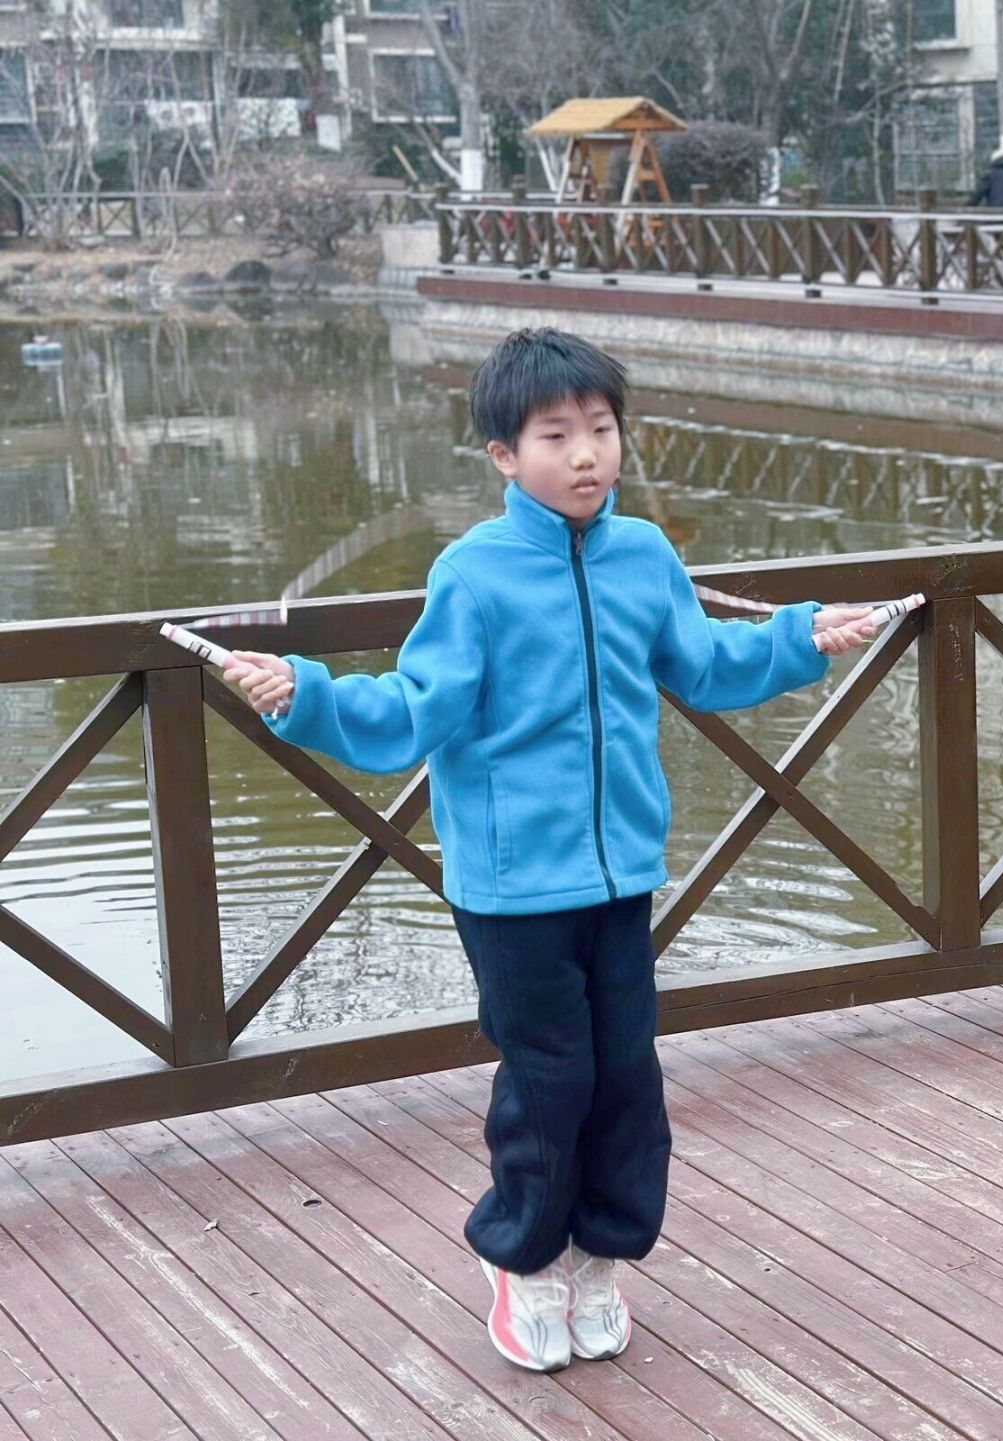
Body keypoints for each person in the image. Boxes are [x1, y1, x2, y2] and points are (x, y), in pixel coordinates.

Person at [221, 328, 875, 1371]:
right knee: (550, 1079)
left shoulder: (644, 554)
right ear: (504, 454)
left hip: (623, 872)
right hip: (512, 886)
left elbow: (704, 664)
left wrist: (799, 637)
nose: (585, 455)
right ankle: (524, 1260)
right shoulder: (472, 574)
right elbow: (412, 709)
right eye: (556, 435)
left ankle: (600, 1255)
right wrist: (306, 693)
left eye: (601, 430)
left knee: (627, 1079)